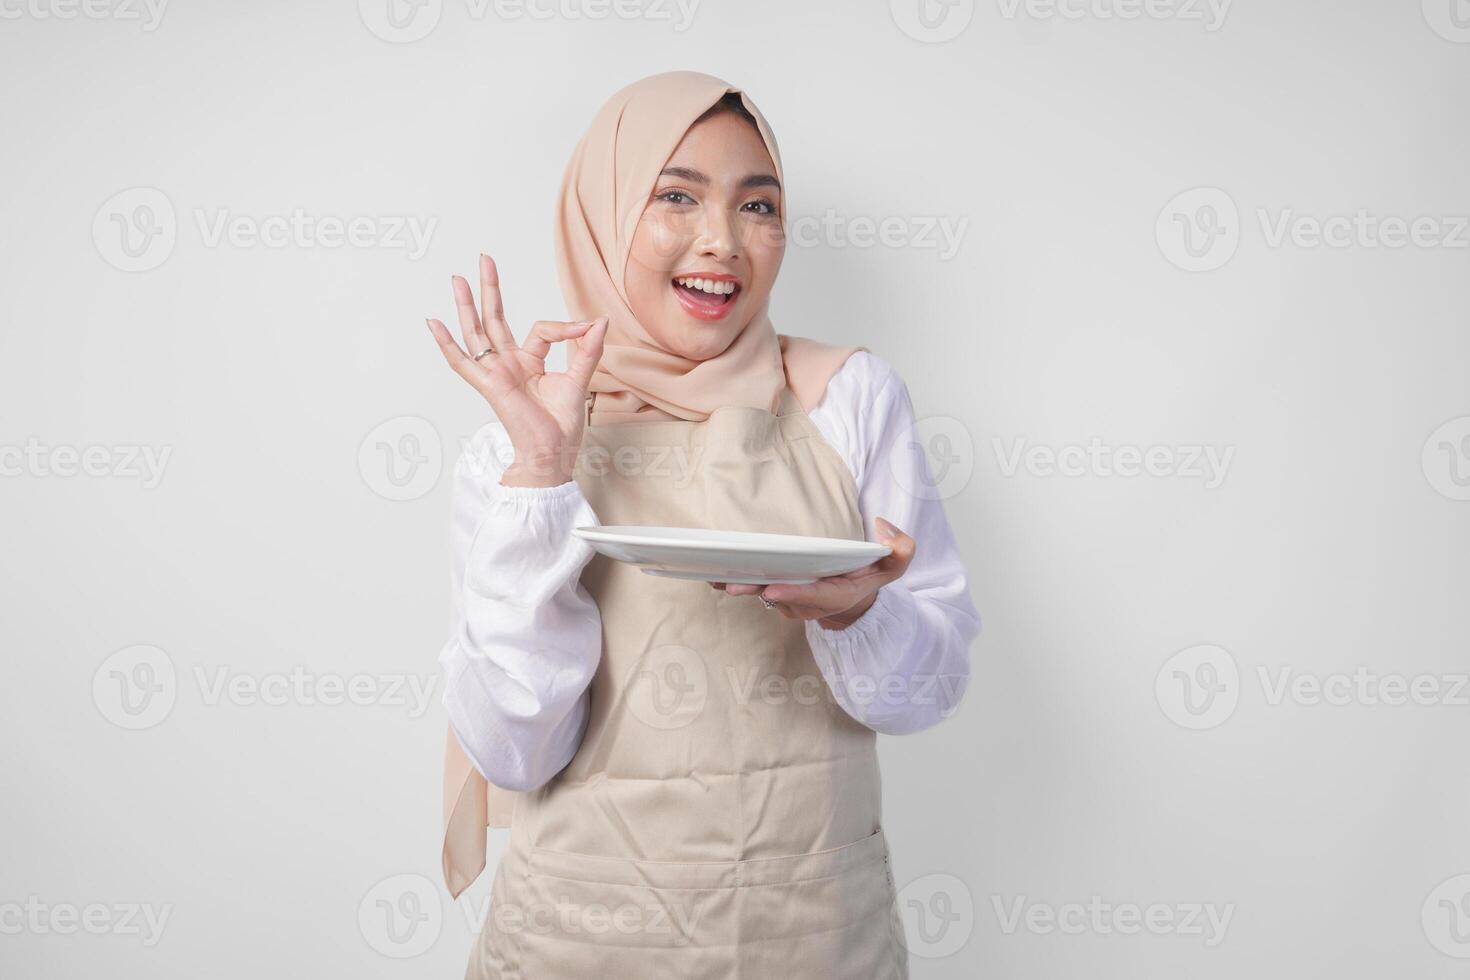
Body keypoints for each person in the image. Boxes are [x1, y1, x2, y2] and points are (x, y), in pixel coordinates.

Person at [425, 70, 980, 979]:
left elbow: (932, 690)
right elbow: (517, 752)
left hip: (813, 936)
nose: (722, 241)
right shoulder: (516, 447)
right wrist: (540, 476)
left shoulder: (849, 397)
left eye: (757, 204)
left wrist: (855, 613)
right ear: (602, 215)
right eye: (675, 195)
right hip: (579, 942)